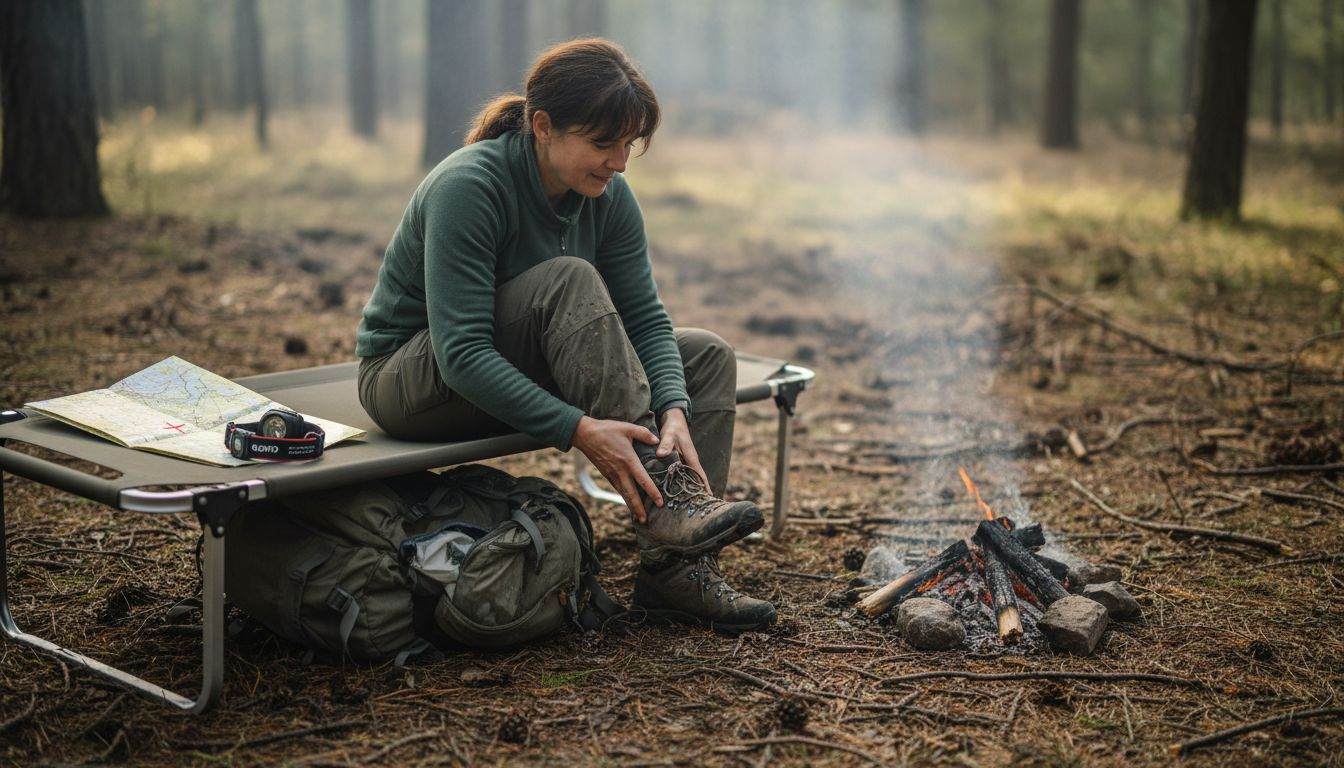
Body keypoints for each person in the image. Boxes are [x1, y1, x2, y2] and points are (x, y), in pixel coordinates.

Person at [355, 39, 774, 635]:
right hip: (414, 381)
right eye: (603, 144)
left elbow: (645, 318)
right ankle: (670, 500)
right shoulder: (469, 187)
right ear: (543, 126)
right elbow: (462, 355)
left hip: (513, 364)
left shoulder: (609, 197)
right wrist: (579, 429)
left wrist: (674, 406)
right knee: (568, 279)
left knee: (703, 355)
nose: (619, 163)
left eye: (629, 144)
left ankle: (677, 574)